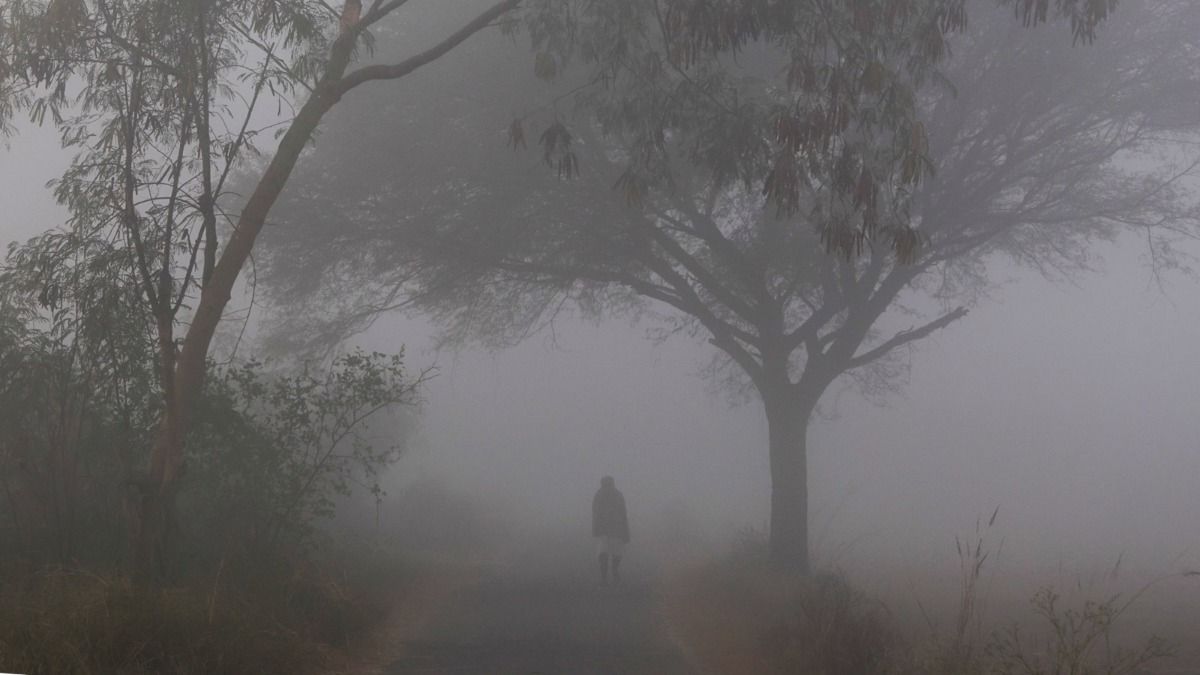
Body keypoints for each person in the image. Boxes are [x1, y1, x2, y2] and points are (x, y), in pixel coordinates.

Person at [592, 475, 630, 585]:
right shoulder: (605, 495)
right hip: (608, 530)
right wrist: (626, 532)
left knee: (609, 553)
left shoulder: (612, 495)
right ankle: (609, 573)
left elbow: (623, 514)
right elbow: (595, 513)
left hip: (613, 530)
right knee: (608, 553)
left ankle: (610, 573)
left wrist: (625, 531)